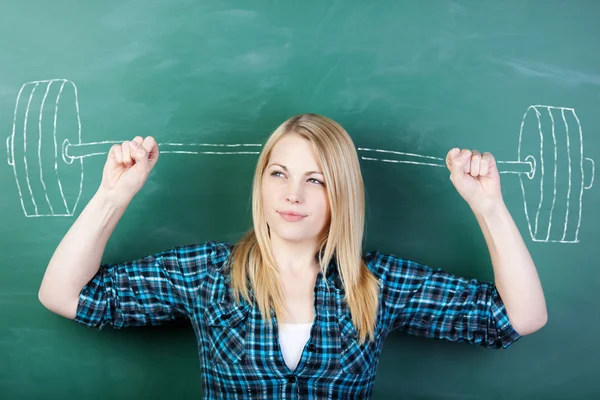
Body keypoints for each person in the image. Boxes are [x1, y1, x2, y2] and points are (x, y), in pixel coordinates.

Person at [38, 114, 547, 399]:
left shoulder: (377, 283)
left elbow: (520, 317)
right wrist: (113, 195)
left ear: (340, 194)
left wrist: (489, 206)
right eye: (279, 173)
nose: (293, 195)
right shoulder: (206, 273)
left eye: (316, 179)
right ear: (261, 183)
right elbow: (63, 295)